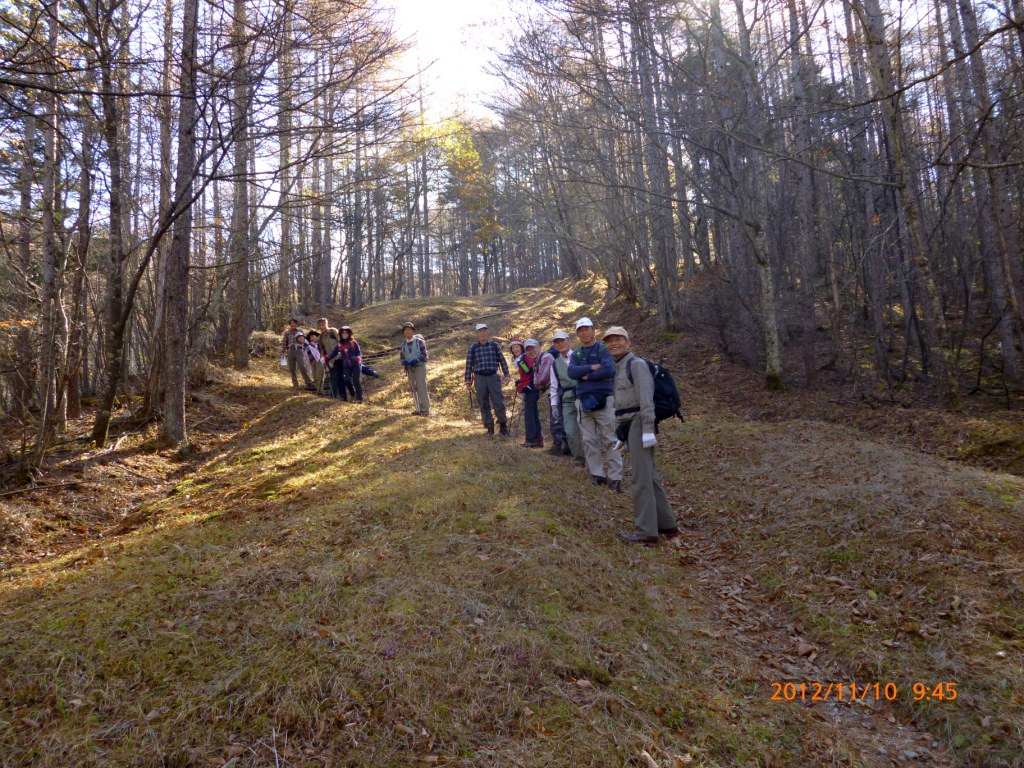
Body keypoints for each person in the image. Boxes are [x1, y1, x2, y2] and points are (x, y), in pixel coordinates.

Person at [604, 326, 678, 546]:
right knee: (650, 476)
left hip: (639, 425)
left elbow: (645, 399)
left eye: (618, 339)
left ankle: (646, 532)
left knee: (640, 478)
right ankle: (667, 525)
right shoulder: (619, 366)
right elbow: (623, 403)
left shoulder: (636, 365)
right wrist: (621, 432)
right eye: (610, 341)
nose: (614, 344)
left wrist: (647, 429)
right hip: (631, 426)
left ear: (628, 342)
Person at [567, 317, 622, 491]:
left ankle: (615, 476)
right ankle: (597, 474)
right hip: (583, 402)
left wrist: (586, 376)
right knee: (590, 440)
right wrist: (591, 368)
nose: (584, 332)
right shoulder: (576, 353)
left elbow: (608, 369)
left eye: (587, 329)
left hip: (604, 400)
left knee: (610, 438)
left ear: (593, 330)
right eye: (580, 330)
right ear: (577, 333)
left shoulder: (603, 349)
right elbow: (571, 371)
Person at [464, 323, 511, 436]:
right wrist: (468, 380)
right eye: (480, 331)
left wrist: (507, 374)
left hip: (493, 377)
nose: (482, 333)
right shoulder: (473, 348)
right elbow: (469, 364)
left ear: (487, 332)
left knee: (498, 402)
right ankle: (489, 428)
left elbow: (502, 361)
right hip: (479, 378)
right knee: (483, 403)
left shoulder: (495, 346)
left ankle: (503, 426)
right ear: (476, 334)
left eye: (484, 330)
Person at [549, 331, 582, 460]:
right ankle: (579, 457)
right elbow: (554, 387)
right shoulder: (555, 364)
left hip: (582, 396)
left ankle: (593, 457)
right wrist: (554, 405)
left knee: (588, 430)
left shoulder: (580, 356)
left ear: (569, 341)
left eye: (562, 340)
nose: (560, 344)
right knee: (569, 431)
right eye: (557, 342)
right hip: (567, 400)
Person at [517, 339, 554, 448]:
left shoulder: (525, 359)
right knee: (532, 412)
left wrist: (528, 385)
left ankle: (533, 439)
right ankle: (537, 439)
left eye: (517, 347)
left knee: (530, 412)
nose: (515, 349)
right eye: (513, 348)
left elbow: (532, 374)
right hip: (533, 387)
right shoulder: (525, 359)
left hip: (534, 388)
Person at [399, 322, 430, 416]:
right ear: (403, 333)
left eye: (409, 329)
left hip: (419, 366)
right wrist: (404, 362)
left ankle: (425, 409)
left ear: (413, 331)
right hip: (409, 368)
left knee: (421, 387)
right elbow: (402, 357)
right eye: (405, 330)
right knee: (413, 388)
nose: (407, 332)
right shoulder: (403, 345)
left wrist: (417, 360)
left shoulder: (419, 342)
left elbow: (424, 355)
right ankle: (418, 408)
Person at [328, 326, 364, 402]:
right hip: (346, 365)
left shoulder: (354, 342)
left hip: (356, 364)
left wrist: (358, 357)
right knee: (346, 379)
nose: (344, 334)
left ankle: (359, 398)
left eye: (346, 333)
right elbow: (333, 353)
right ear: (340, 334)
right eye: (343, 333)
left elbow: (358, 352)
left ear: (349, 333)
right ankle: (352, 393)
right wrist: (326, 358)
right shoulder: (339, 344)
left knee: (356, 381)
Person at [282, 319, 315, 390]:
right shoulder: (287, 333)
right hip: (290, 350)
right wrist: (282, 351)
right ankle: (295, 385)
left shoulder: (300, 331)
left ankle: (309, 383)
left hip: (299, 350)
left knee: (302, 366)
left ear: (296, 324)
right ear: (289, 325)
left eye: (294, 323)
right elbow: (284, 342)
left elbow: (304, 340)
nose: (293, 325)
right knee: (292, 368)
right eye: (291, 323)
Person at [316, 318, 341, 397]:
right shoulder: (320, 337)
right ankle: (334, 394)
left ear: (326, 324)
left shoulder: (333, 331)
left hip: (339, 357)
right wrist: (325, 359)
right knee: (333, 376)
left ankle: (343, 393)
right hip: (330, 359)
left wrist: (342, 353)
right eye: (320, 325)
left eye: (323, 325)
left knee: (341, 375)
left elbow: (340, 342)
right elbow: (322, 349)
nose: (322, 327)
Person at [305, 330, 327, 395]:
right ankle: (317, 390)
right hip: (312, 362)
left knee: (319, 376)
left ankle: (320, 391)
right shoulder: (308, 346)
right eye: (311, 337)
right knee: (314, 376)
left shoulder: (320, 344)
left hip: (320, 360)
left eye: (313, 336)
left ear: (317, 337)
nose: (312, 338)